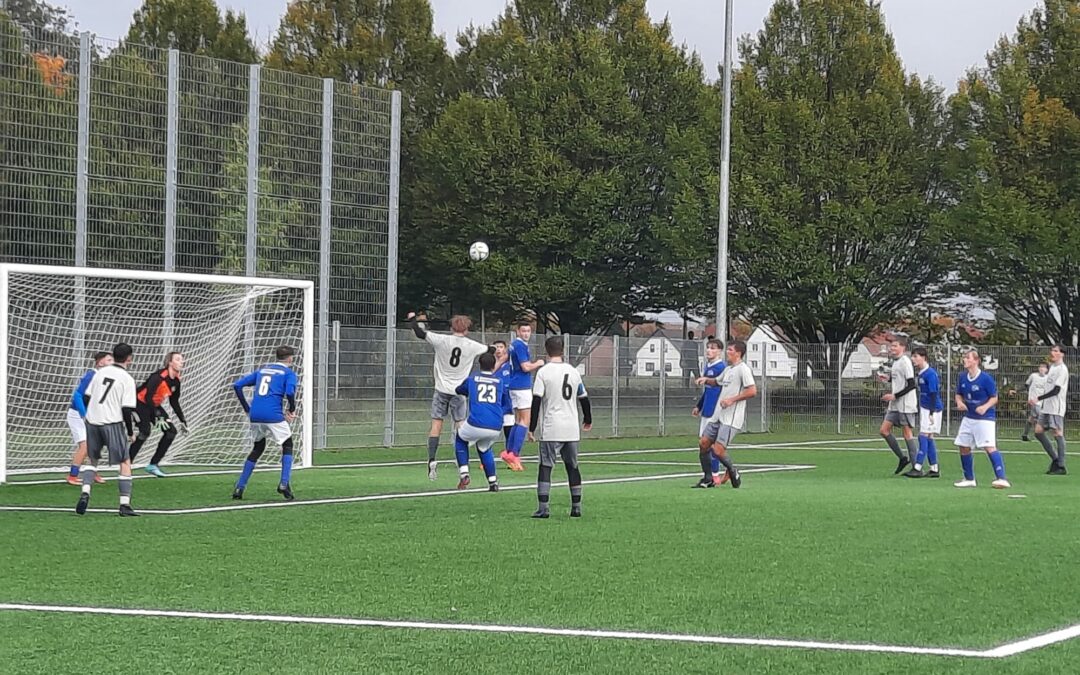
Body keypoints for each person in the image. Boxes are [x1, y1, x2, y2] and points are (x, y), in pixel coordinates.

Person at [407, 312, 492, 480]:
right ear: (466, 329)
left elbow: (420, 333)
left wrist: (412, 320)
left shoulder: (442, 340)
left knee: (436, 425)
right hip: (459, 391)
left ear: (452, 327)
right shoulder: (472, 345)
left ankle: (432, 459)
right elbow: (490, 350)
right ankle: (461, 463)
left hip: (441, 389)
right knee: (460, 426)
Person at [529, 336, 591, 518]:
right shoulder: (573, 372)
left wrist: (531, 428)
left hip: (552, 427)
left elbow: (536, 401)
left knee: (546, 466)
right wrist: (588, 419)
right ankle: (576, 507)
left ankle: (543, 508)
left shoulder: (543, 372)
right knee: (572, 466)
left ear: (546, 350)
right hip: (571, 427)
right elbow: (584, 398)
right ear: (563, 350)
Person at [76, 343, 138, 516]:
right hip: (112, 423)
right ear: (129, 358)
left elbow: (87, 397)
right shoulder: (127, 379)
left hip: (93, 421)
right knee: (125, 461)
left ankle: (85, 492)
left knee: (92, 460)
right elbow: (127, 409)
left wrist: (90, 415)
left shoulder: (100, 373)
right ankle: (124, 505)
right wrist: (130, 432)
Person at [231, 346, 300, 500]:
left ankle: (239, 487)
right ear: (290, 358)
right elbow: (289, 392)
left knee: (258, 448)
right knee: (287, 444)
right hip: (272, 415)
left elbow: (237, 385)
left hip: (255, 415)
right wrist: (291, 409)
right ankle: (284, 483)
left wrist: (247, 409)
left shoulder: (262, 371)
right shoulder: (289, 373)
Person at [698, 340, 756, 490]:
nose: (727, 352)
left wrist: (731, 400)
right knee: (704, 443)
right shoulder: (729, 369)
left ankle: (732, 470)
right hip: (718, 415)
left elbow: (752, 391)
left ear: (738, 353)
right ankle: (708, 478)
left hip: (731, 419)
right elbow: (717, 382)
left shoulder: (743, 369)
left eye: (730, 350)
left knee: (717, 450)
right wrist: (706, 380)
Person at [452, 352, 511, 491]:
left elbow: (459, 389)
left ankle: (464, 473)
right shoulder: (500, 382)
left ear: (479, 365)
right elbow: (505, 403)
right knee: (484, 448)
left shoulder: (473, 379)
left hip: (477, 421)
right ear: (493, 366)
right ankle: (493, 482)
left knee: (460, 439)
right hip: (496, 425)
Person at [953, 349, 1010, 489]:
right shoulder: (962, 377)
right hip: (969, 417)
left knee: (989, 446)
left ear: (976, 361)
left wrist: (985, 407)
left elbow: (994, 397)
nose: (964, 360)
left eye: (968, 358)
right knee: (963, 445)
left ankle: (1002, 478)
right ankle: (969, 478)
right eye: (964, 358)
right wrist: (960, 403)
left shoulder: (986, 378)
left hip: (985, 418)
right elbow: (958, 394)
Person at [129, 351, 189, 477]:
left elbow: (174, 401)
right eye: (178, 359)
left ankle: (153, 465)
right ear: (170, 362)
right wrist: (157, 414)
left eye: (182, 359)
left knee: (171, 432)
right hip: (139, 403)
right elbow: (148, 396)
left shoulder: (176, 381)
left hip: (153, 406)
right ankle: (126, 463)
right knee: (145, 431)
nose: (181, 362)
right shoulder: (158, 377)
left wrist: (182, 420)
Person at [65, 351, 112, 486]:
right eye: (109, 360)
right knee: (85, 446)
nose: (112, 363)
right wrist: (84, 414)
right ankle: (72, 476)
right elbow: (78, 395)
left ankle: (92, 473)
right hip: (77, 415)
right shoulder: (91, 375)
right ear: (100, 362)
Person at [505, 321, 546, 470]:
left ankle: (509, 452)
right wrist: (539, 363)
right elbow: (525, 367)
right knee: (524, 421)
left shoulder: (513, 345)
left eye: (528, 331)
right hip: (521, 386)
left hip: (513, 385)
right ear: (517, 331)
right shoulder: (520, 345)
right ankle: (514, 454)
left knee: (517, 420)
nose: (526, 334)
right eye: (523, 331)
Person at [880, 337, 919, 475]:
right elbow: (899, 379)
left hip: (905, 404)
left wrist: (895, 395)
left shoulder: (905, 362)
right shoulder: (895, 363)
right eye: (891, 346)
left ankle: (916, 467)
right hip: (895, 404)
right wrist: (888, 379)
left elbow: (911, 384)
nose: (892, 348)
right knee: (884, 430)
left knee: (907, 433)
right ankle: (903, 458)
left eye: (895, 346)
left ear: (903, 347)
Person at [691, 339, 727, 487]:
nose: (708, 351)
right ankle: (712, 475)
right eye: (707, 348)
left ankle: (715, 475)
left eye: (712, 348)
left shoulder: (722, 367)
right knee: (704, 444)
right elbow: (708, 391)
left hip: (716, 411)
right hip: (707, 410)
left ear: (719, 351)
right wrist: (699, 406)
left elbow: (722, 388)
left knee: (710, 445)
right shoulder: (708, 367)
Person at [904, 347, 943, 478]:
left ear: (923, 357)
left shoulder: (930, 374)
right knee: (929, 438)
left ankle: (917, 467)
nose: (913, 359)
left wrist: (931, 413)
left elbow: (933, 393)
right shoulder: (921, 373)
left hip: (932, 409)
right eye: (912, 356)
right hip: (926, 408)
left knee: (923, 436)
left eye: (916, 357)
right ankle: (934, 468)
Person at [1033, 345, 1069, 475]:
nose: (1052, 353)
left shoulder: (1062, 369)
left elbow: (1056, 390)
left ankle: (1061, 465)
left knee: (1058, 433)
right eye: (1052, 350)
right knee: (1038, 432)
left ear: (1062, 354)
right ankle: (1055, 459)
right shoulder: (1052, 367)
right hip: (1046, 407)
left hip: (1055, 407)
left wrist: (1039, 397)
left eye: (1055, 351)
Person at [1020, 363, 1048, 443]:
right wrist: (1017, 391)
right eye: (1040, 367)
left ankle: (1025, 435)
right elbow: (1026, 385)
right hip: (1033, 401)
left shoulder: (1047, 378)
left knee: (1032, 418)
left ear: (1047, 370)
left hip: (1042, 401)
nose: (1042, 369)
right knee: (1041, 416)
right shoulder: (1033, 376)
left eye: (1044, 367)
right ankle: (1040, 434)